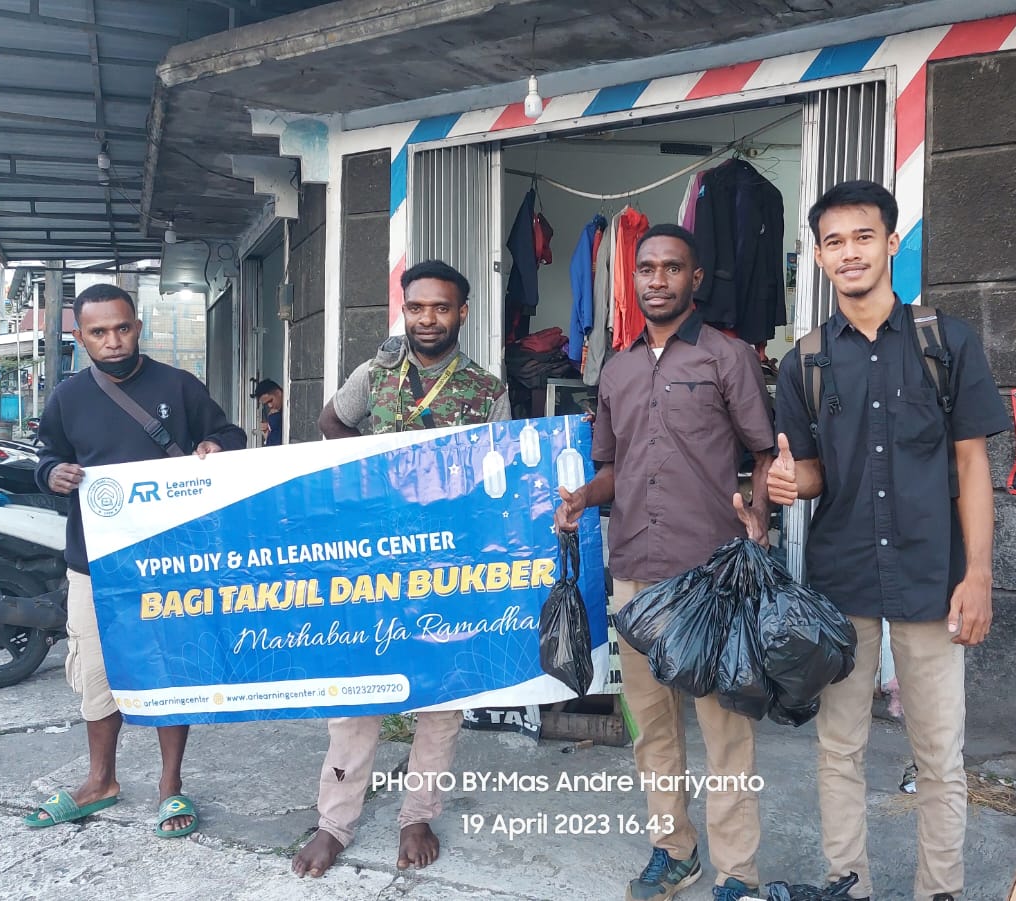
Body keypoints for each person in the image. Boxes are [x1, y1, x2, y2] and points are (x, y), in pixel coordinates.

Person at [765, 181, 1009, 901]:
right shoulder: (803, 361)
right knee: (838, 749)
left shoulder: (945, 342)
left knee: (938, 754)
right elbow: (810, 471)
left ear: (892, 243)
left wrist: (980, 575)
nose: (849, 253)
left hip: (933, 578)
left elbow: (972, 465)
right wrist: (788, 484)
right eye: (834, 242)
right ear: (818, 255)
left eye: (863, 237)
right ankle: (851, 886)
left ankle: (942, 889)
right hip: (841, 583)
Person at [555, 224, 776, 901]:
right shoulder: (617, 369)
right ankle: (673, 850)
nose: (657, 279)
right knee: (651, 724)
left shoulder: (725, 356)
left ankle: (738, 869)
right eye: (647, 268)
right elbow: (612, 469)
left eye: (671, 267)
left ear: (695, 278)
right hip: (633, 572)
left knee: (723, 726)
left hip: (708, 574)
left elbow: (762, 450)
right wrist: (582, 498)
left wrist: (760, 514)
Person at [299, 260, 508, 877]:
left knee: (441, 698)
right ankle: (335, 822)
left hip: (450, 565)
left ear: (461, 313)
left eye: (441, 308)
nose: (427, 319)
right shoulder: (376, 375)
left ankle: (418, 813)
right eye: (416, 307)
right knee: (358, 692)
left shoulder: (487, 389)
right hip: (376, 562)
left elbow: (498, 476)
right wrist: (366, 472)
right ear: (404, 309)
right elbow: (331, 421)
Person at [29, 283, 245, 838]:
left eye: (122, 328)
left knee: (168, 670)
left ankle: (170, 788)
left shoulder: (178, 385)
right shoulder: (67, 398)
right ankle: (100, 780)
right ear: (80, 337)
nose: (113, 340)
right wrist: (51, 473)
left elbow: (229, 433)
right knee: (97, 674)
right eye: (99, 332)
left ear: (138, 326)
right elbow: (46, 456)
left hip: (170, 564)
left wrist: (216, 448)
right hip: (95, 565)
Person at [252, 378, 284, 446]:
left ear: (278, 393)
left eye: (270, 401)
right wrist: (268, 433)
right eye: (266, 404)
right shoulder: (275, 414)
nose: (270, 406)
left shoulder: (291, 407)